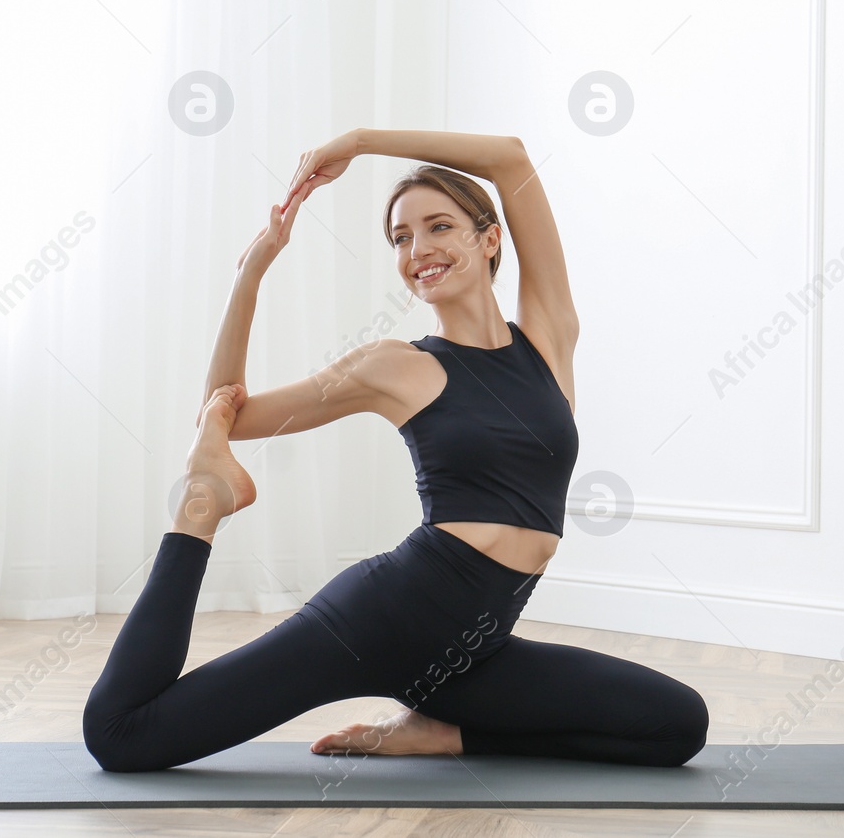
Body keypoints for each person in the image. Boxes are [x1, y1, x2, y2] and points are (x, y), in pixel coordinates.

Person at [82, 128, 708, 772]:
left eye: (439, 226)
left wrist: (362, 140)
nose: (418, 250)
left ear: (490, 238)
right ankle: (198, 512)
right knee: (123, 737)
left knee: (678, 726)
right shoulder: (394, 366)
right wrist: (250, 274)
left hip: (473, 654)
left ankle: (441, 732)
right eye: (401, 238)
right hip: (381, 621)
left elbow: (511, 158)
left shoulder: (548, 338)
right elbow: (225, 412)